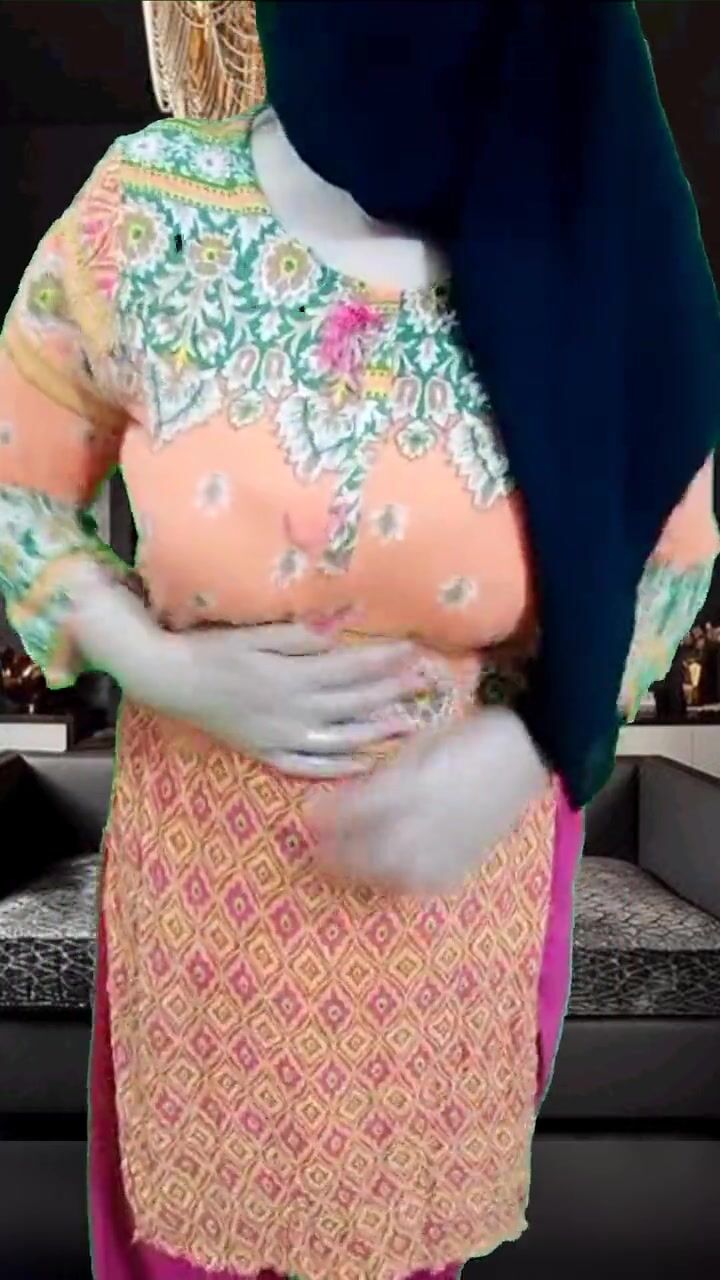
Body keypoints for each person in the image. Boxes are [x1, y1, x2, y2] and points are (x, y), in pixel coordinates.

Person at [1, 3, 719, 1278]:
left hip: (457, 908)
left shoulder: (581, 206)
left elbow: (672, 537)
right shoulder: (151, 210)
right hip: (205, 906)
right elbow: (16, 485)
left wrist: (526, 744)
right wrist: (167, 666)